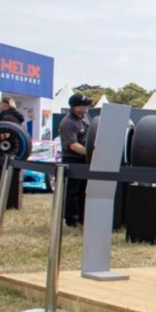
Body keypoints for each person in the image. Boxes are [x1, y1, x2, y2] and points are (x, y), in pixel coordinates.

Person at [58, 93, 92, 228]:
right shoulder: (68, 123)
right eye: (85, 105)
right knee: (72, 191)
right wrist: (90, 153)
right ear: (76, 107)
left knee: (83, 189)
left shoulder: (84, 118)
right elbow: (72, 145)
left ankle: (83, 217)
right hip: (73, 159)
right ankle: (71, 220)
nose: (87, 107)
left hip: (84, 160)